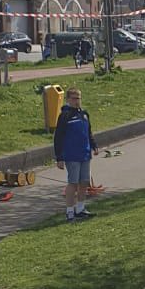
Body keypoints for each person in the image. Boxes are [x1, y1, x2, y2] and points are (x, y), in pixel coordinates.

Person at [54, 87, 99, 222]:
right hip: (72, 155)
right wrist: (59, 157)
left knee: (84, 182)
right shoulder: (65, 116)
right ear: (68, 99)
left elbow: (88, 131)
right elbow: (58, 137)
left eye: (78, 98)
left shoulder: (84, 114)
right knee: (73, 183)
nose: (77, 101)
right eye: (74, 98)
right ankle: (69, 211)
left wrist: (93, 145)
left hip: (84, 153)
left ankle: (80, 208)